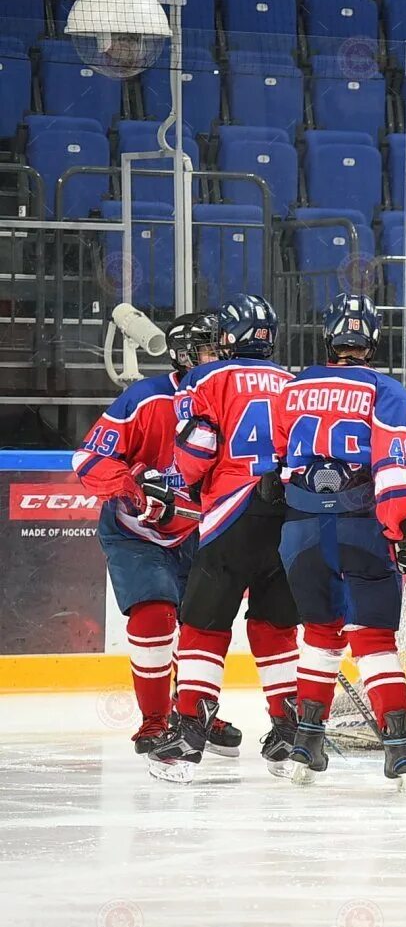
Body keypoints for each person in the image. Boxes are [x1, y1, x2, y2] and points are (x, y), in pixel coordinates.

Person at [271, 295, 406, 787]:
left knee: (319, 633)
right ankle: (398, 751)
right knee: (373, 639)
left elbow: (276, 457)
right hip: (360, 526)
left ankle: (306, 744)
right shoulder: (387, 390)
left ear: (328, 338)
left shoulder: (293, 387)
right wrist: (402, 530)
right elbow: (395, 469)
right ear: (373, 341)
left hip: (299, 528)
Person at [147, 295, 300, 783]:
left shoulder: (205, 379)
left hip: (233, 514)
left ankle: (190, 729)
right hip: (291, 515)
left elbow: (200, 447)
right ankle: (288, 730)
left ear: (228, 339)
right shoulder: (296, 383)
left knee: (203, 625)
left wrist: (173, 479)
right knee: (275, 625)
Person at [73, 313, 240, 757]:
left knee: (203, 623)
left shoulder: (227, 399)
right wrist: (133, 493)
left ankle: (194, 711)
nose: (217, 358)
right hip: (136, 533)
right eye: (208, 350)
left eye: (219, 350)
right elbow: (89, 460)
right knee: (155, 613)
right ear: (185, 354)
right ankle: (153, 724)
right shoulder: (144, 399)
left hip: (196, 532)